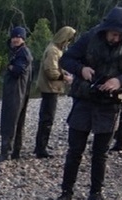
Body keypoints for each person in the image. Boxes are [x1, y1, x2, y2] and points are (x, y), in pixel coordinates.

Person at [52, 7, 122, 200]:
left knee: (100, 152)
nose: (116, 38)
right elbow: (66, 59)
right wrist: (81, 69)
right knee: (74, 150)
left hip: (111, 103)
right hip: (84, 99)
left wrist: (121, 80)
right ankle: (66, 193)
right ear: (106, 29)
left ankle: (96, 195)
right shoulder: (90, 36)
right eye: (113, 34)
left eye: (120, 35)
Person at [33, 26, 77, 158]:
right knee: (47, 119)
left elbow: (55, 68)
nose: (69, 42)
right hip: (50, 88)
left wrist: (63, 72)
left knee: (46, 118)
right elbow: (50, 72)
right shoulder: (53, 50)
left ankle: (41, 145)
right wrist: (65, 77)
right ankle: (41, 148)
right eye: (69, 39)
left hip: (52, 88)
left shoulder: (56, 49)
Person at [0, 27, 33, 161]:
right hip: (19, 91)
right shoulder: (18, 51)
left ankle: (5, 153)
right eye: (13, 37)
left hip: (16, 91)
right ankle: (15, 152)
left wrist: (9, 67)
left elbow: (18, 70)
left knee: (9, 121)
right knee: (18, 121)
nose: (15, 39)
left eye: (18, 37)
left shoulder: (22, 52)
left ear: (23, 38)